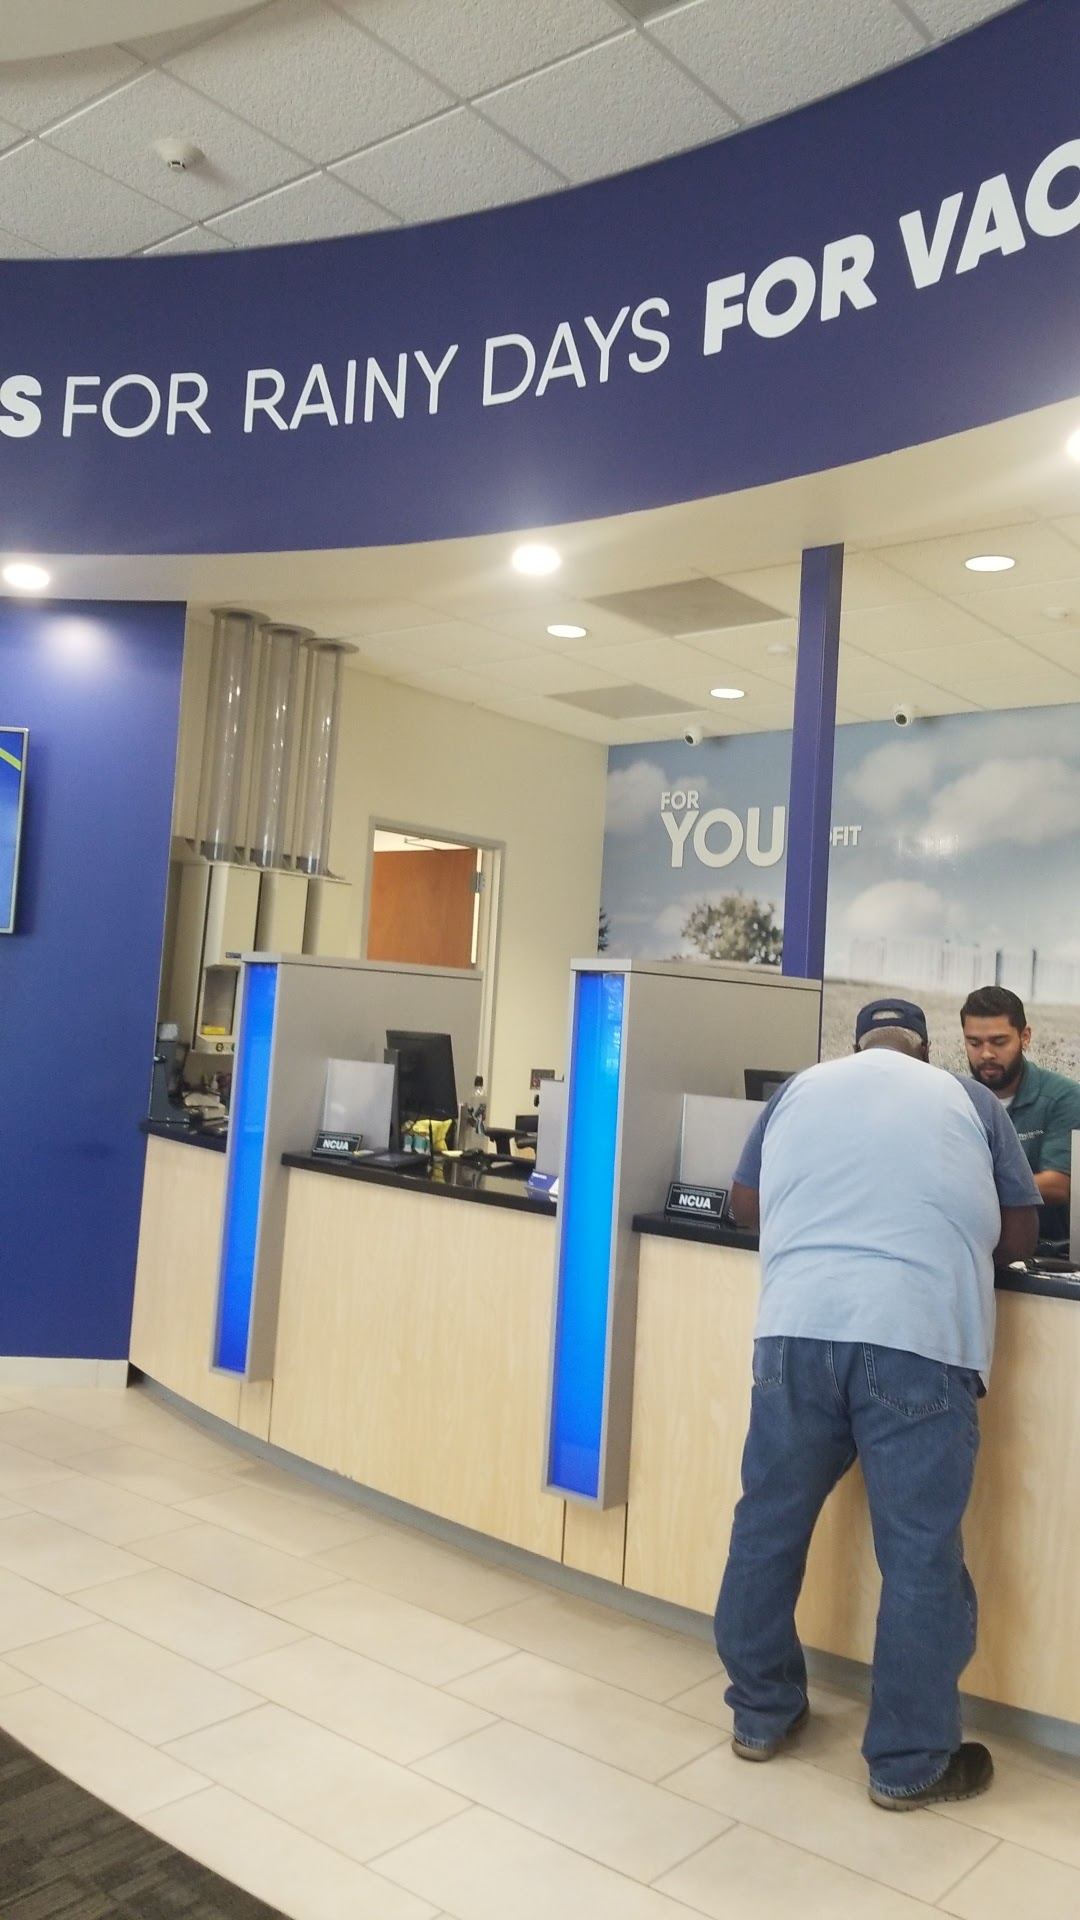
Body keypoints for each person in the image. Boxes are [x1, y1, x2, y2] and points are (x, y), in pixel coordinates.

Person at [715, 996, 1038, 1811]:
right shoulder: (966, 1100)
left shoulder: (798, 1089)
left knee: (767, 1526)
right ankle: (907, 1763)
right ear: (926, 1050)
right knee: (920, 1553)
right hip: (918, 1336)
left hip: (794, 1332)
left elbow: (745, 1205)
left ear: (856, 1047)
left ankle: (760, 1715)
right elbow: (1021, 1237)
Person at [960, 985, 1080, 1244]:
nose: (986, 1054)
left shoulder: (1065, 1097)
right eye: (974, 1043)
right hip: (973, 1246)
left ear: (1025, 1037)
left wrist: (968, 1189)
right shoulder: (955, 1098)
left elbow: (1058, 1185)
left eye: (999, 1042)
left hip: (1047, 1252)